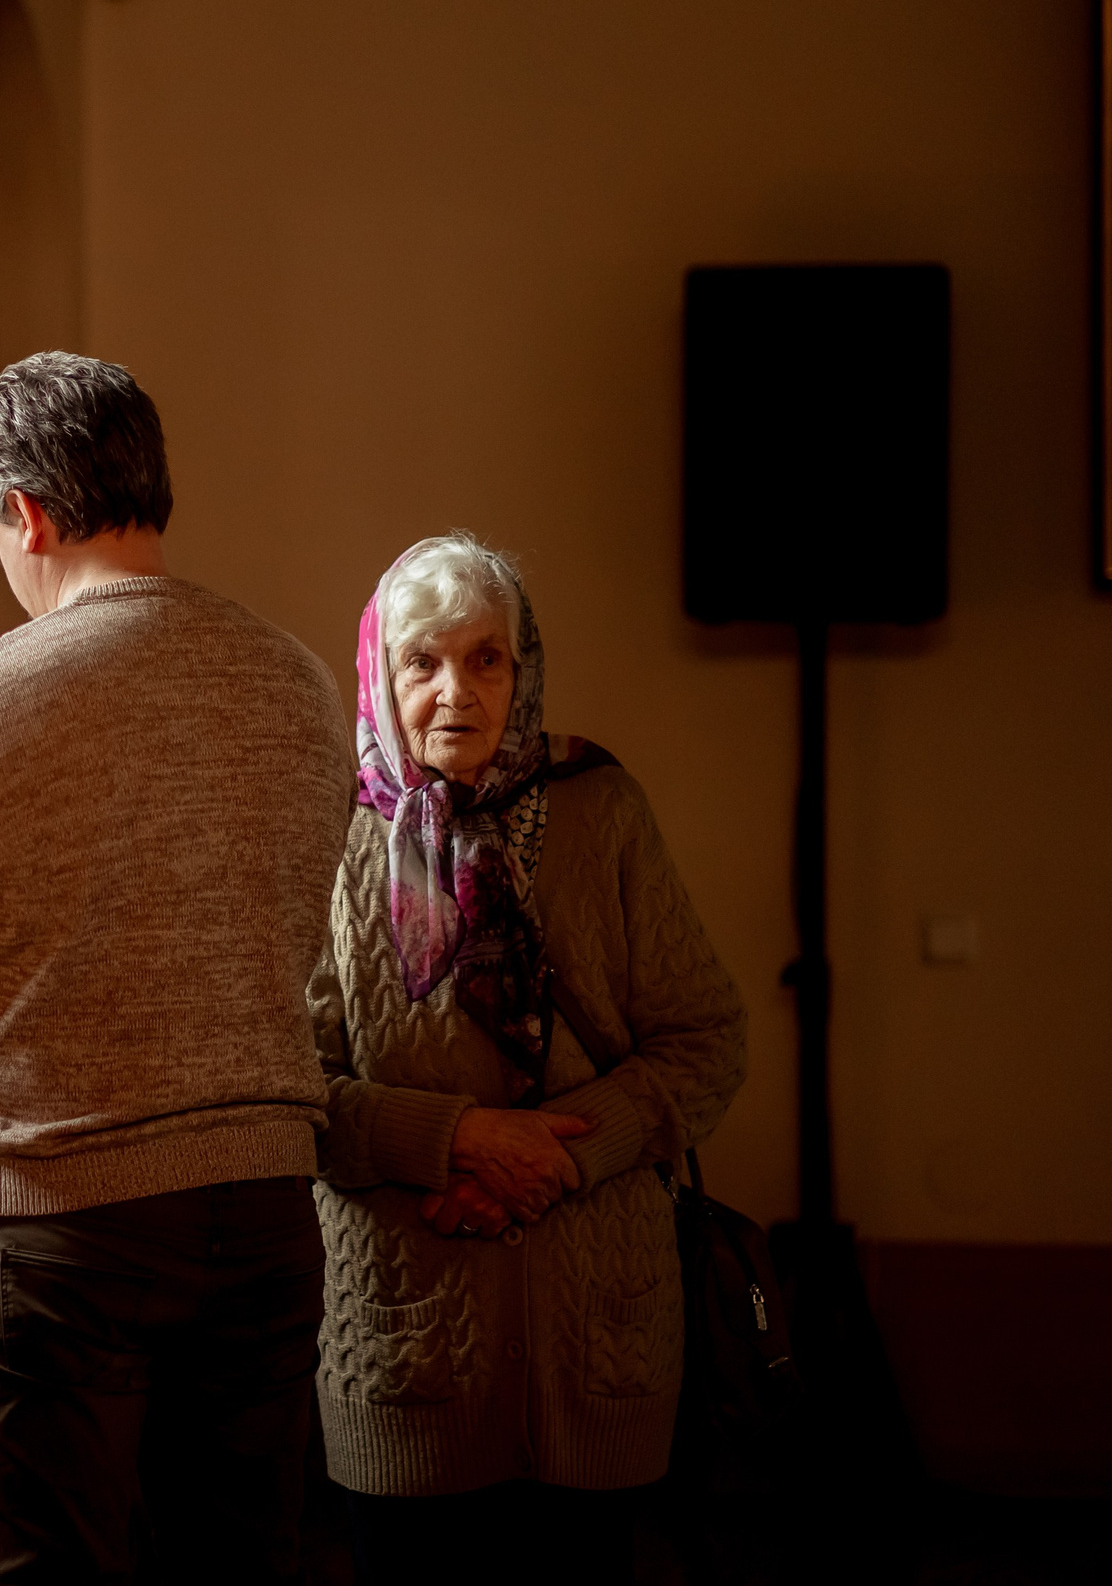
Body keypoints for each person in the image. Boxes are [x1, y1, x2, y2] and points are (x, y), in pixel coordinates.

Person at [0, 352, 355, 1583]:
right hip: (260, 1204)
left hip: (58, 1221)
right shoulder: (298, 682)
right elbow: (295, 938)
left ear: (24, 512)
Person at [309, 533, 748, 1584]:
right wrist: (451, 1141)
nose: (453, 691)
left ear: (523, 669)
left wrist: (558, 1154)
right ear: (379, 671)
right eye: (421, 660)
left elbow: (704, 1042)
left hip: (595, 1343)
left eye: (485, 658)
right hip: (406, 1347)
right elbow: (284, 1083)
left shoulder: (602, 810)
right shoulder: (328, 831)